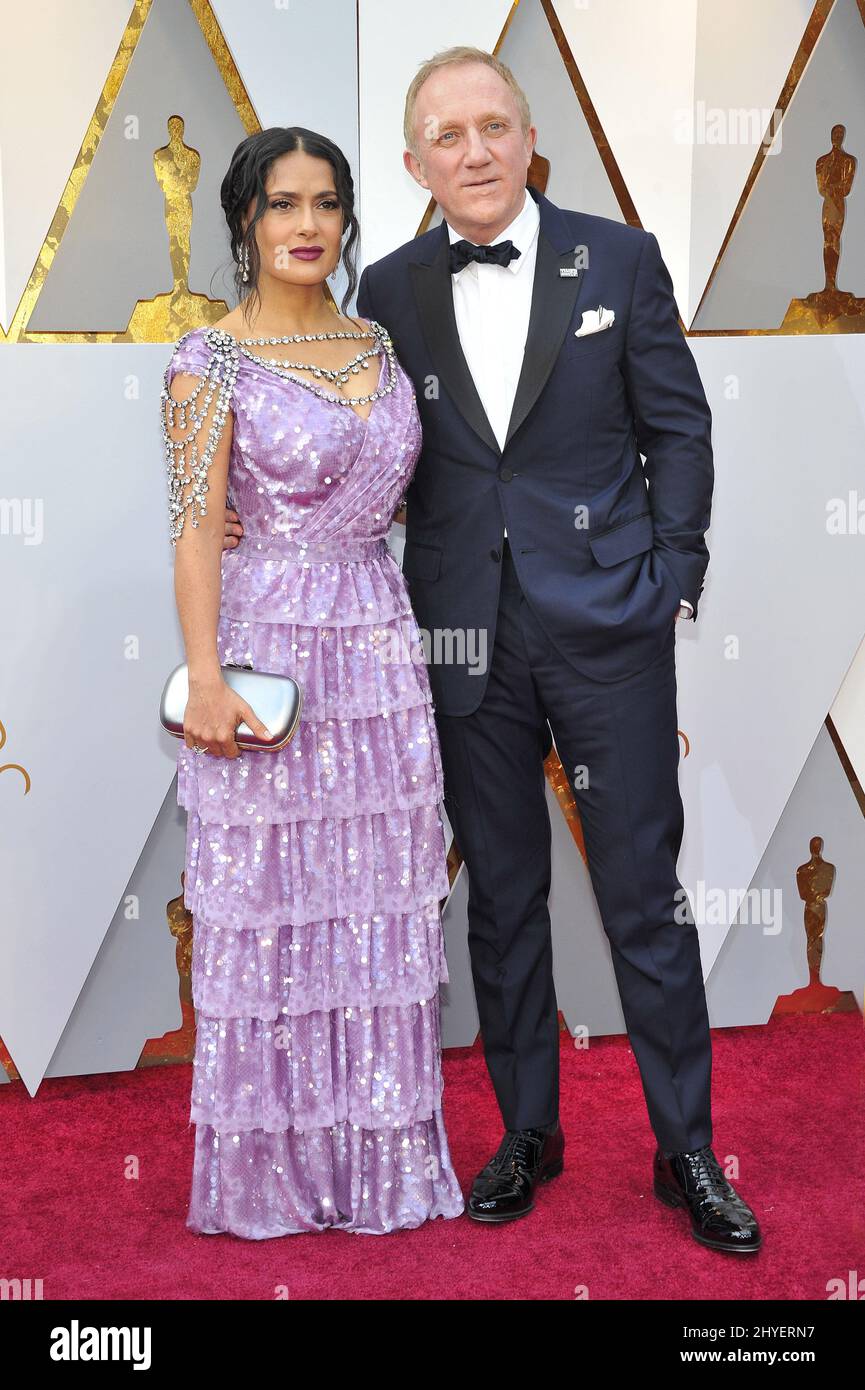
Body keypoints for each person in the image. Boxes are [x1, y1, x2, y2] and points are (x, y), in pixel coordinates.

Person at [223, 49, 762, 1254]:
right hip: (458, 643)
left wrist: (670, 574)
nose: (472, 152)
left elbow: (677, 428)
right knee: (504, 904)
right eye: (446, 136)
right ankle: (528, 1131)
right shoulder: (391, 295)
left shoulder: (615, 258)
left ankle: (687, 1151)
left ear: (527, 140)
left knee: (643, 902)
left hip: (610, 634)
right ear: (414, 165)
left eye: (492, 127)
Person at [161, 126, 464, 1238]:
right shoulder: (208, 360)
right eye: (282, 203)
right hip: (264, 653)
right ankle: (273, 1175)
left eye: (325, 203)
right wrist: (204, 676)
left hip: (377, 652)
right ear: (244, 218)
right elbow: (195, 530)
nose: (306, 225)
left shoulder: (378, 343)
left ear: (346, 217)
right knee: (267, 907)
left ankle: (376, 1160)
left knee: (379, 902)